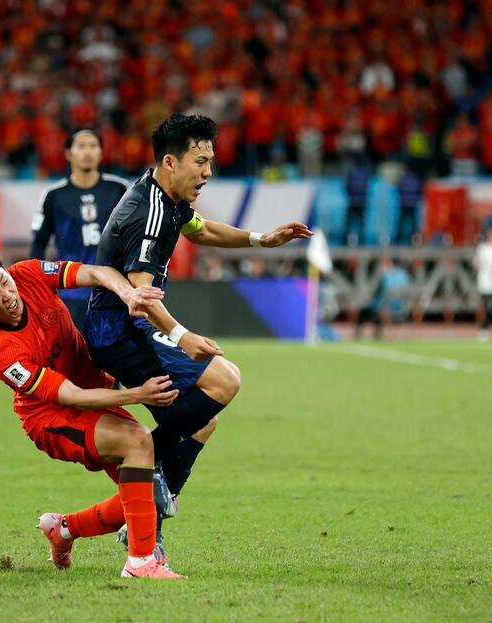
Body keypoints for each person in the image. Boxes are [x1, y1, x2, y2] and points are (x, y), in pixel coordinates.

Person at [84, 113, 312, 555]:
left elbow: (202, 230)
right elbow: (139, 293)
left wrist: (264, 240)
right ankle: (145, 462)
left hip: (127, 326)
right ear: (171, 161)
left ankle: (145, 514)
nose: (208, 172)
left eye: (211, 161)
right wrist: (182, 334)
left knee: (202, 422)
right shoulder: (148, 212)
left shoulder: (169, 199)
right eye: (201, 161)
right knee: (225, 379)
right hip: (120, 329)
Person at [0, 247, 184, 579]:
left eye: (4, 281)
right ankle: (141, 563)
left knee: (151, 497)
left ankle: (63, 529)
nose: (7, 294)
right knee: (138, 441)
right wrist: (138, 395)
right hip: (52, 417)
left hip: (95, 393)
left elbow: (97, 272)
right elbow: (72, 396)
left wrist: (129, 294)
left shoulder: (28, 273)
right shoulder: (0, 352)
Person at [30, 128, 130, 332]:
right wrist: (35, 285)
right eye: (81, 146)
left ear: (101, 152)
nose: (88, 152)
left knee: (116, 358)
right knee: (73, 356)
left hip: (112, 290)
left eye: (93, 146)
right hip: (70, 290)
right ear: (68, 153)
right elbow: (39, 242)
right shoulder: (54, 195)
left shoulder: (119, 189)